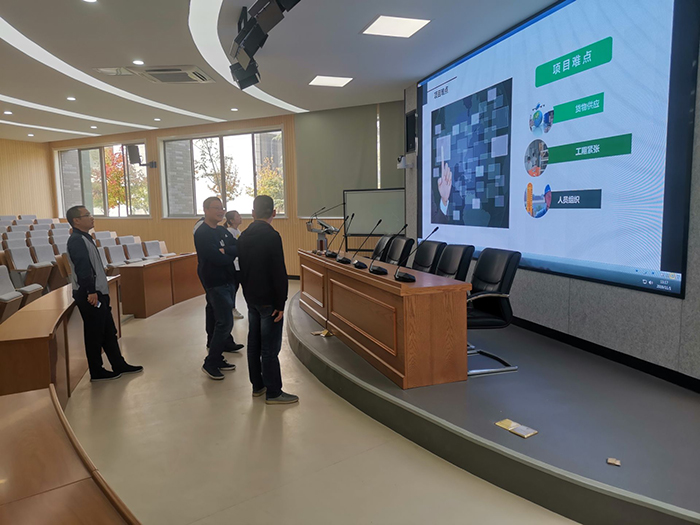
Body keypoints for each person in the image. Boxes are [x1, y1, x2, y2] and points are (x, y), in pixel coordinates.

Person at [65, 205, 143, 382]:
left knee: (108, 331)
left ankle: (118, 364)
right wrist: (91, 291)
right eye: (87, 215)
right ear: (76, 220)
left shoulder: (85, 237)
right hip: (90, 294)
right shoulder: (77, 240)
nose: (92, 217)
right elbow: (83, 268)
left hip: (98, 291)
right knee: (94, 334)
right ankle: (97, 371)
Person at [238, 195, 298, 404]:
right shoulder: (272, 236)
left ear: (253, 213)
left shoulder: (243, 236)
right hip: (269, 301)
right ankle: (274, 392)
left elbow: (241, 269)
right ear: (274, 213)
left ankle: (258, 386)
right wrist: (281, 303)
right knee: (270, 349)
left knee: (254, 344)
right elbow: (278, 271)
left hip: (252, 298)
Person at [194, 197, 241, 380]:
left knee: (217, 319)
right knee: (225, 322)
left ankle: (218, 356)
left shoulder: (222, 230)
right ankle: (211, 362)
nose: (221, 211)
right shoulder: (202, 233)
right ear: (205, 210)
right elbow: (216, 258)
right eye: (216, 208)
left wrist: (226, 251)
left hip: (228, 278)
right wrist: (229, 255)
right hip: (214, 281)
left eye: (222, 208)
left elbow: (238, 247)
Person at [224, 210, 244, 320]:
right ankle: (231, 308)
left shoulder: (237, 231)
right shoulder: (229, 232)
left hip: (240, 264)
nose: (240, 217)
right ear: (231, 220)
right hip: (234, 265)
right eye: (237, 216)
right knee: (233, 288)